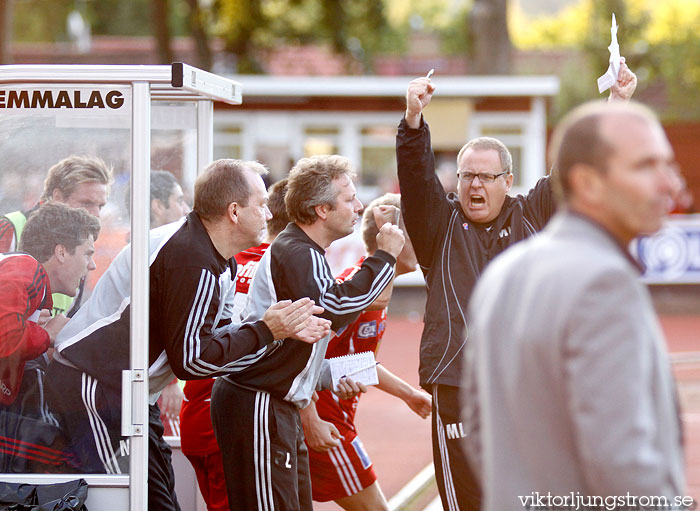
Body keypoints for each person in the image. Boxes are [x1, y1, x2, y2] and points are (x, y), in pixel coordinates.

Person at [396, 60, 637, 510]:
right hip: (459, 383)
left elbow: (577, 166)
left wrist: (617, 103)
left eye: (487, 176)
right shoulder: (438, 226)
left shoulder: (534, 213)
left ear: (508, 181)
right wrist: (413, 120)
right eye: (467, 175)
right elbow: (415, 177)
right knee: (468, 500)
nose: (475, 185)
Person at [45, 159, 330, 511]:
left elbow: (218, 339)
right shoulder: (190, 258)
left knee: (160, 502)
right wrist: (267, 329)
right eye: (261, 204)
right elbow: (192, 360)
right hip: (94, 386)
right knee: (115, 499)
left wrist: (277, 335)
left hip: (128, 390)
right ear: (234, 211)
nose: (270, 214)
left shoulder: (216, 256)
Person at [463, 100, 685, 509]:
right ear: (588, 183)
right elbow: (621, 459)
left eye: (667, 166)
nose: (668, 184)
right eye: (646, 166)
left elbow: (479, 432)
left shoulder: (502, 274)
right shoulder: (604, 282)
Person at [210, 155, 405, 511]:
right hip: (258, 401)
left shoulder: (304, 251)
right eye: (349, 199)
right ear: (321, 210)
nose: (358, 205)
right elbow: (335, 309)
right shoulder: (298, 251)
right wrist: (385, 256)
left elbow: (299, 341)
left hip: (271, 402)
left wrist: (324, 377)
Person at [300, 193, 432, 510]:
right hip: (328, 425)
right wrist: (310, 418)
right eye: (416, 233)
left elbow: (360, 361)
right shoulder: (357, 290)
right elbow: (300, 354)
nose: (426, 242)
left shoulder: (371, 289)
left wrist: (408, 394)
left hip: (334, 422)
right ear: (393, 237)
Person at [179, 177, 289, 511]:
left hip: (198, 408)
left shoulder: (230, 260)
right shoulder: (284, 267)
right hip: (234, 418)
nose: (266, 215)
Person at [0, 202, 100, 472]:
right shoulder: (24, 267)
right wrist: (46, 334)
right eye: (88, 254)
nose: (92, 265)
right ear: (62, 252)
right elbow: (6, 341)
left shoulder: (35, 291)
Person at [0, 155, 113, 317]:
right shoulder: (8, 229)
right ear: (57, 197)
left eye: (100, 206)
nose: (96, 215)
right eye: (86, 203)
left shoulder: (80, 244)